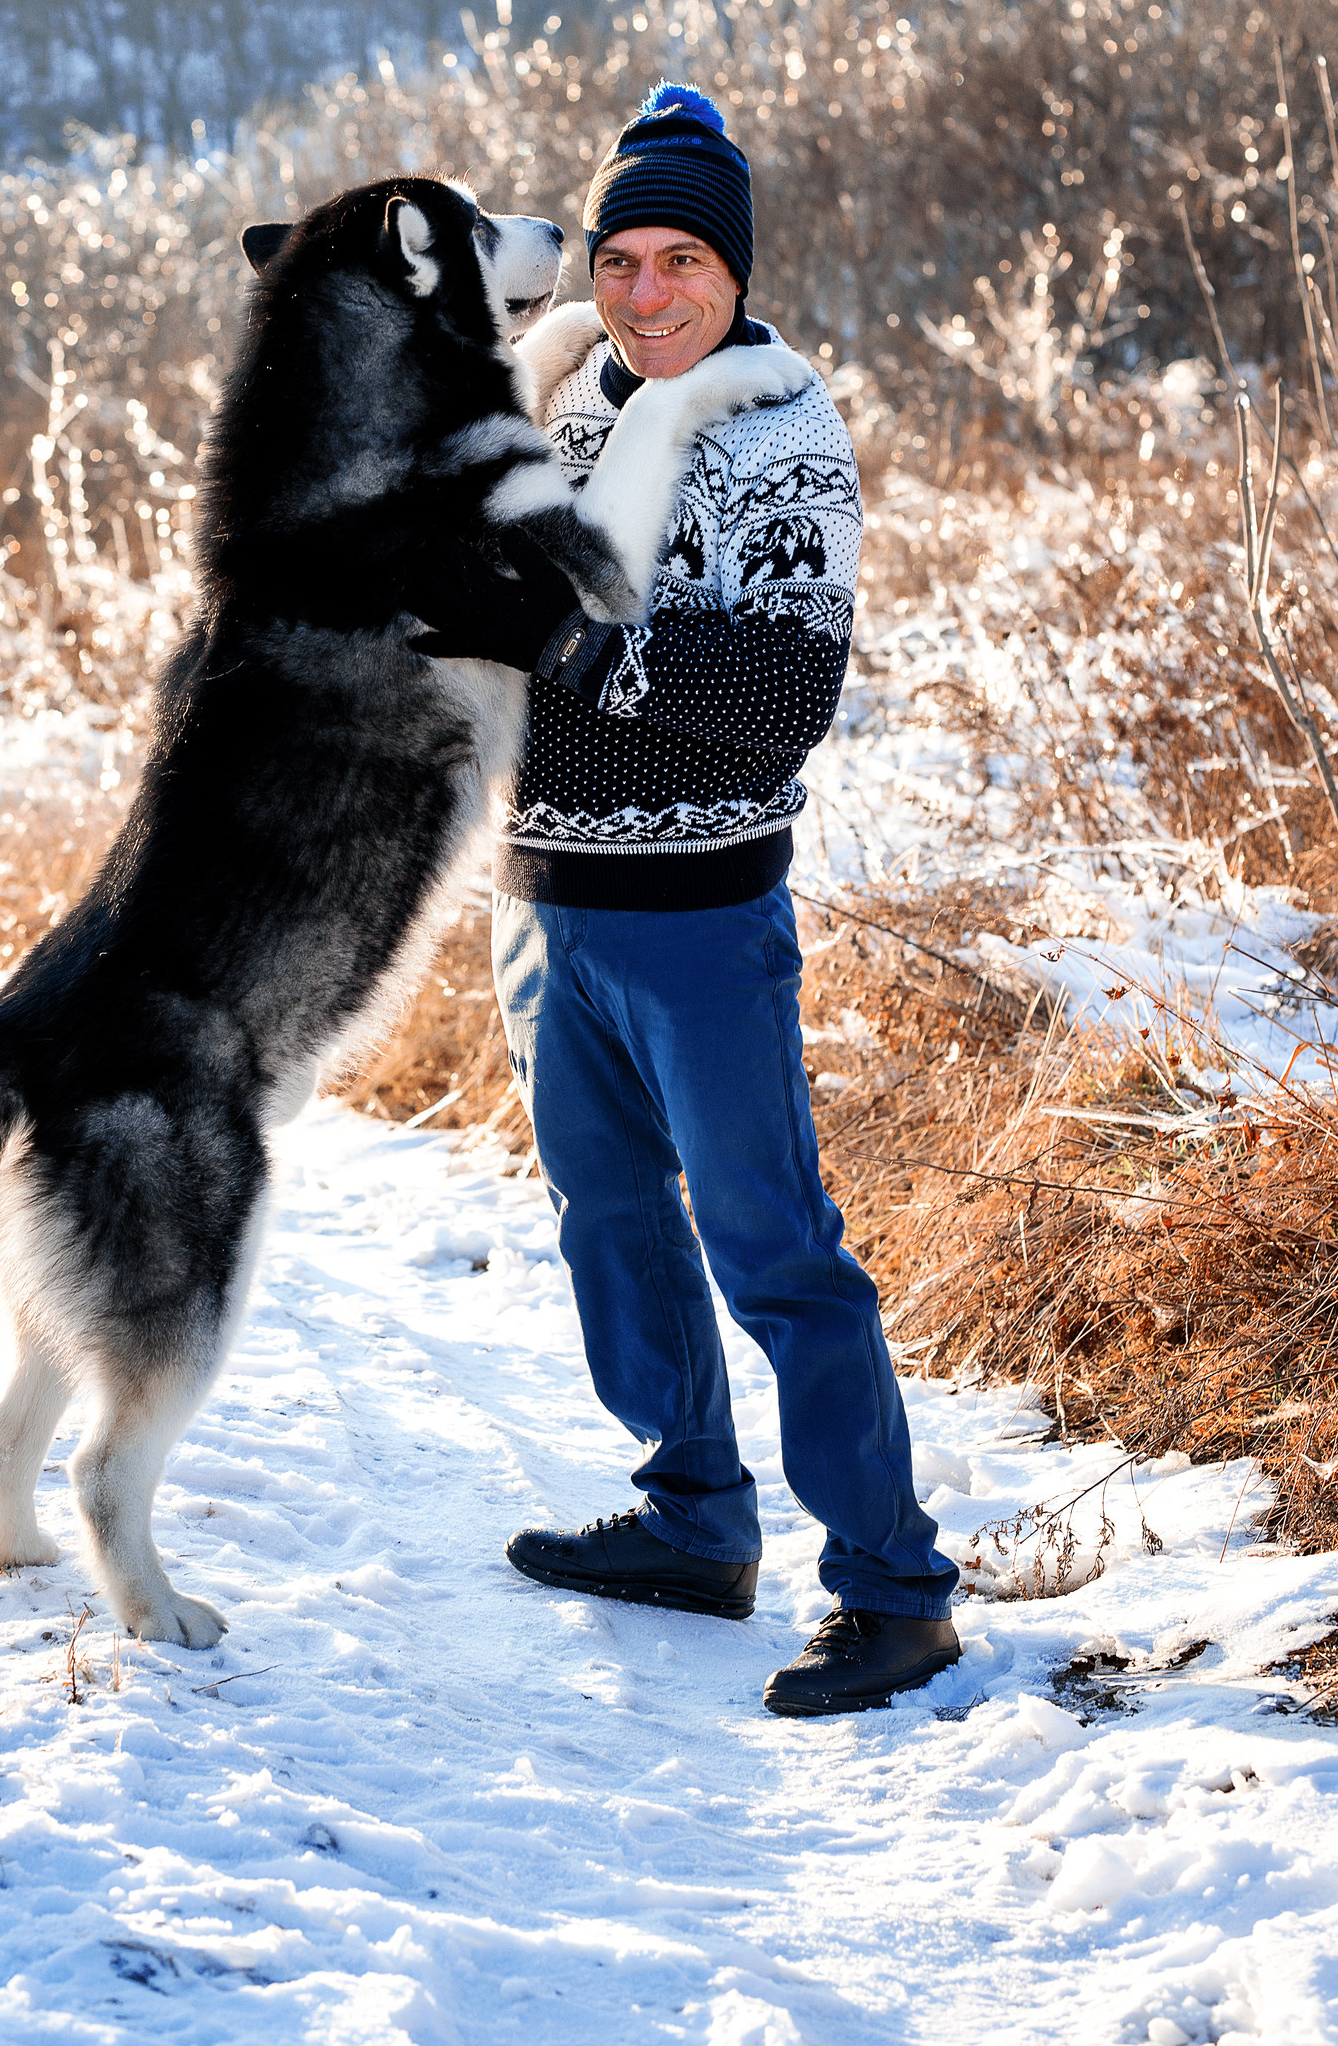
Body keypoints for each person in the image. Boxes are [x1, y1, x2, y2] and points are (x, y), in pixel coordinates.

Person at [406, 84, 961, 1715]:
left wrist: (567, 634)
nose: (645, 295)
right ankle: (692, 1522)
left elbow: (779, 692)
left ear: (733, 270)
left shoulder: (782, 438)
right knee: (610, 1225)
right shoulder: (571, 398)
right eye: (620, 261)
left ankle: (892, 1591)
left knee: (774, 1248)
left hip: (701, 918)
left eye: (680, 264)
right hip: (545, 902)